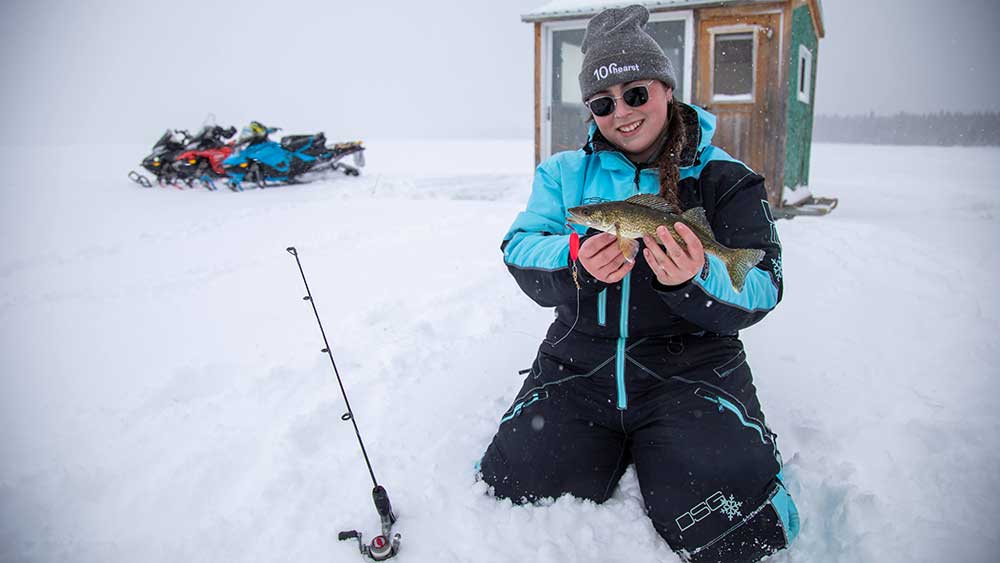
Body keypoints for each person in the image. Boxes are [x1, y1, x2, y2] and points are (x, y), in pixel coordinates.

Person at [477, 5, 798, 562]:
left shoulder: (727, 178)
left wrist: (697, 278)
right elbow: (521, 246)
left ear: (665, 89)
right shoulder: (563, 175)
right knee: (518, 482)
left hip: (693, 367)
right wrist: (576, 255)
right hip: (581, 362)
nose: (621, 112)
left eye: (636, 93)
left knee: (729, 521)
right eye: (602, 103)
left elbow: (763, 284)